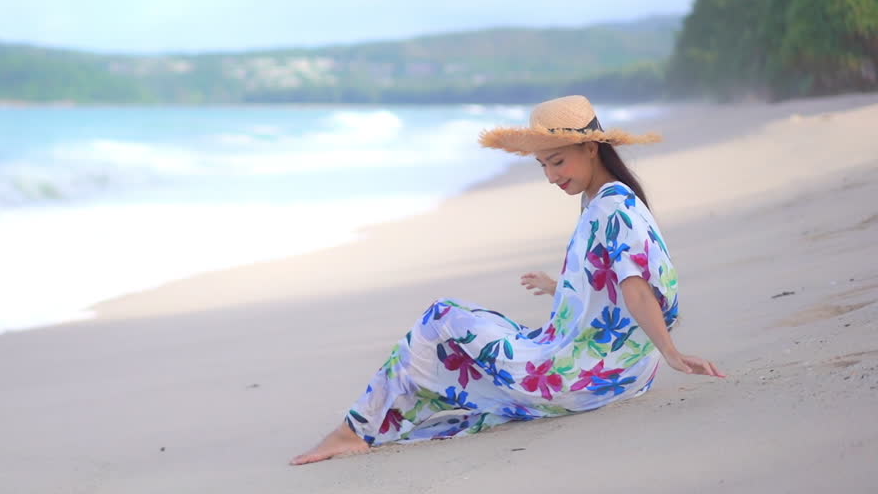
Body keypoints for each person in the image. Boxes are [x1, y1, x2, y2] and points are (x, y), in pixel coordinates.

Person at [290, 95, 724, 466]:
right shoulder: (608, 200)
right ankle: (371, 422)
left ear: (592, 147)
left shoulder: (612, 208)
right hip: (622, 374)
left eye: (557, 161)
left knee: (441, 317)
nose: (552, 176)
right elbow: (611, 282)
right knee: (483, 327)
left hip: (585, 379)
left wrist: (671, 352)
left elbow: (635, 288)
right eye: (543, 165)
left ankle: (356, 429)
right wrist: (562, 288)